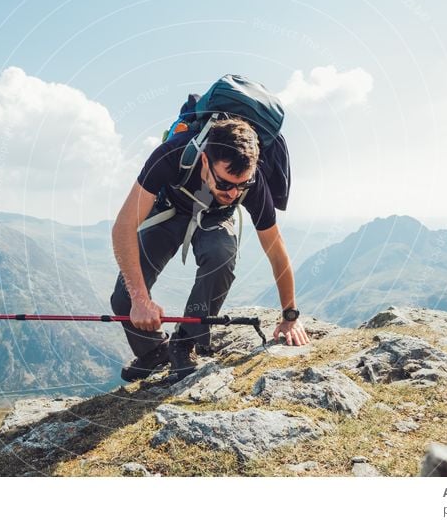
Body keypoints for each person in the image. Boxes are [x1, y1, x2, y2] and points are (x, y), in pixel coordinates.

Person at [110, 117, 309, 382]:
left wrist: (290, 315)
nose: (234, 193)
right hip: (169, 210)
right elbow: (123, 228)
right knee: (124, 297)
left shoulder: (254, 182)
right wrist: (139, 299)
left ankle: (184, 343)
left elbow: (276, 250)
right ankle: (155, 351)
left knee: (221, 256)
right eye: (225, 183)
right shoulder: (171, 156)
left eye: (242, 185)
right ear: (205, 161)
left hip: (215, 217)